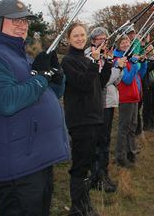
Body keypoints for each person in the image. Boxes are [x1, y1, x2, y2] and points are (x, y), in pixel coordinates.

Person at [0, 0, 69, 216]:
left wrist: (57, 79)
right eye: (15, 21)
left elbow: (45, 94)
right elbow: (7, 101)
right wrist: (40, 78)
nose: (23, 26)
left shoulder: (20, 55)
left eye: (25, 21)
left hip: (36, 158)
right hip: (17, 163)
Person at [62, 22, 112, 216]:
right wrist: (94, 63)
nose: (80, 38)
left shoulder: (85, 59)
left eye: (82, 35)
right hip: (80, 120)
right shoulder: (68, 62)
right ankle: (78, 208)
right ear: (68, 39)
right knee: (80, 165)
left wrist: (105, 63)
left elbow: (99, 83)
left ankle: (85, 205)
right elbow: (82, 84)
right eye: (76, 35)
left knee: (88, 162)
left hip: (93, 118)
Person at [85, 27, 126, 193]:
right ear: (93, 41)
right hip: (97, 105)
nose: (103, 42)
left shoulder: (105, 56)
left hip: (108, 103)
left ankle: (102, 174)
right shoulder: (90, 56)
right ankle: (97, 176)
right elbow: (103, 80)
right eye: (99, 39)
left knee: (105, 141)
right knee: (98, 142)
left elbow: (116, 81)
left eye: (105, 39)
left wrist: (119, 69)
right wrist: (116, 68)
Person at [115, 36, 147, 167]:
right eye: (122, 43)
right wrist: (134, 64)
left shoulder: (129, 58)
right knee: (124, 128)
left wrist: (143, 62)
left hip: (134, 97)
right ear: (118, 45)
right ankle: (121, 157)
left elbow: (141, 74)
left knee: (132, 127)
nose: (125, 44)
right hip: (125, 98)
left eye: (127, 42)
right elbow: (127, 79)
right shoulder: (118, 60)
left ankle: (131, 152)